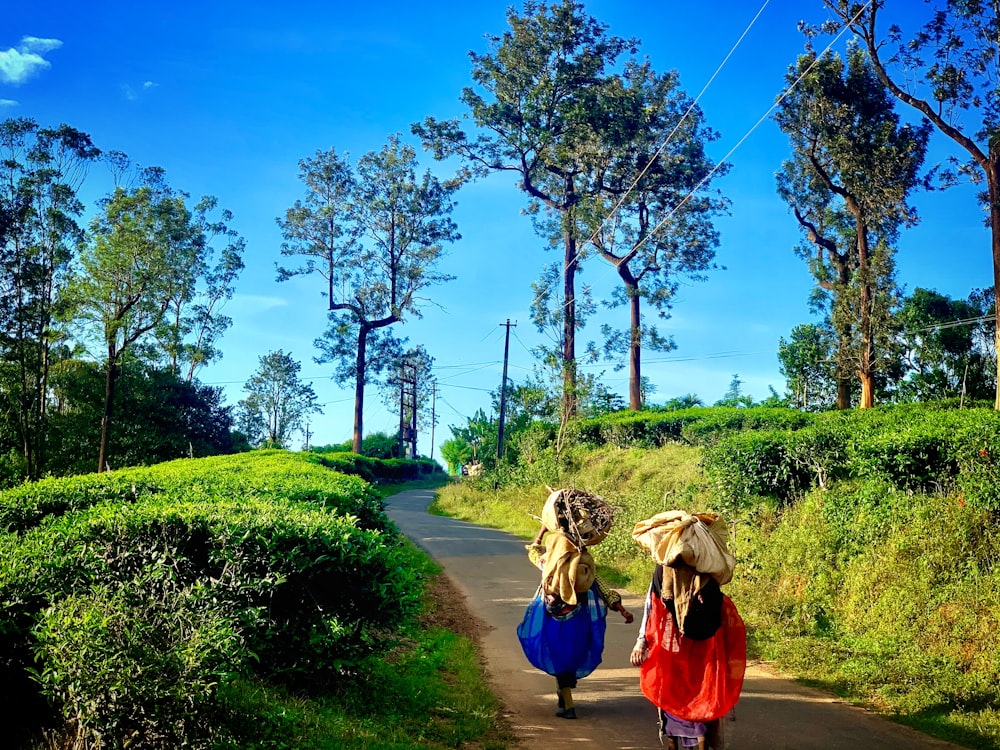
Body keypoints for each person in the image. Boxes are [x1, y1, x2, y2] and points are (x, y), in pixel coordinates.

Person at [628, 510, 746, 749]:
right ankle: (692, 736)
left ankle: (687, 736)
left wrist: (642, 640)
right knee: (691, 691)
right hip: (691, 649)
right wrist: (642, 640)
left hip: (681, 648)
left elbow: (652, 608)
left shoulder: (670, 573)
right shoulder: (699, 575)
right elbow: (654, 607)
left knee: (683, 692)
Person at [516, 488, 633, 719]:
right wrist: (620, 608)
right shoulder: (583, 560)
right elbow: (600, 586)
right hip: (578, 618)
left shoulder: (549, 561)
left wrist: (542, 532)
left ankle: (567, 703)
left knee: (558, 655)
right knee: (570, 655)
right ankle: (565, 695)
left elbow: (534, 552)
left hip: (552, 617)